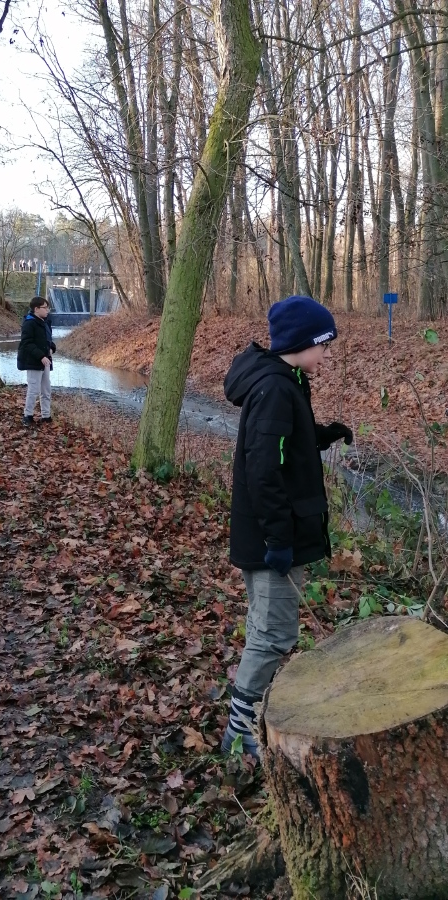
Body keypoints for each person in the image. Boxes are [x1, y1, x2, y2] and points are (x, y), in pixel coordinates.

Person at [220, 295, 353, 759]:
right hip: (272, 539)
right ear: (301, 343)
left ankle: (251, 722)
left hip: (271, 534)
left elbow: (284, 441)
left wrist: (320, 435)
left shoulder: (286, 380)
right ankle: (240, 736)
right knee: (273, 634)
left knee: (266, 627)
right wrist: (278, 539)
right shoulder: (276, 388)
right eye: (324, 346)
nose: (326, 356)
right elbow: (263, 470)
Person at [17, 296, 56, 425]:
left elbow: (48, 340)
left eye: (48, 308)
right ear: (36, 309)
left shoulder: (45, 322)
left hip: (46, 361)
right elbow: (27, 343)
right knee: (33, 390)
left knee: (46, 390)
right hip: (33, 362)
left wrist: (52, 348)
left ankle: (46, 416)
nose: (47, 310)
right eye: (45, 308)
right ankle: (27, 416)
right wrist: (41, 356)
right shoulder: (29, 323)